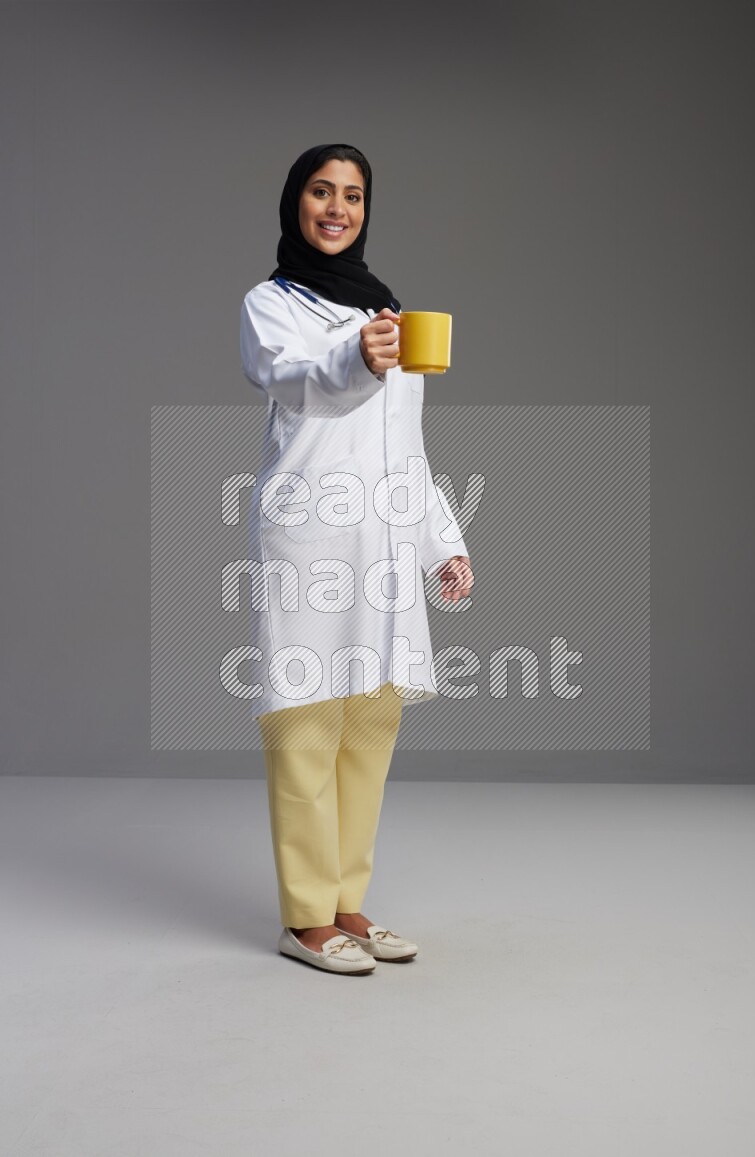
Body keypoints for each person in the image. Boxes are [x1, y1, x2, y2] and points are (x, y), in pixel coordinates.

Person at [239, 142, 474, 975]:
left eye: (353, 195)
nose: (337, 208)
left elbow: (406, 442)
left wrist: (442, 541)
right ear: (295, 202)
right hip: (310, 537)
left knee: (370, 725)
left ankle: (347, 902)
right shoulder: (272, 304)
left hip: (383, 545)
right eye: (321, 191)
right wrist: (356, 358)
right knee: (305, 723)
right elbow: (295, 381)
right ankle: (304, 918)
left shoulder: (391, 308)